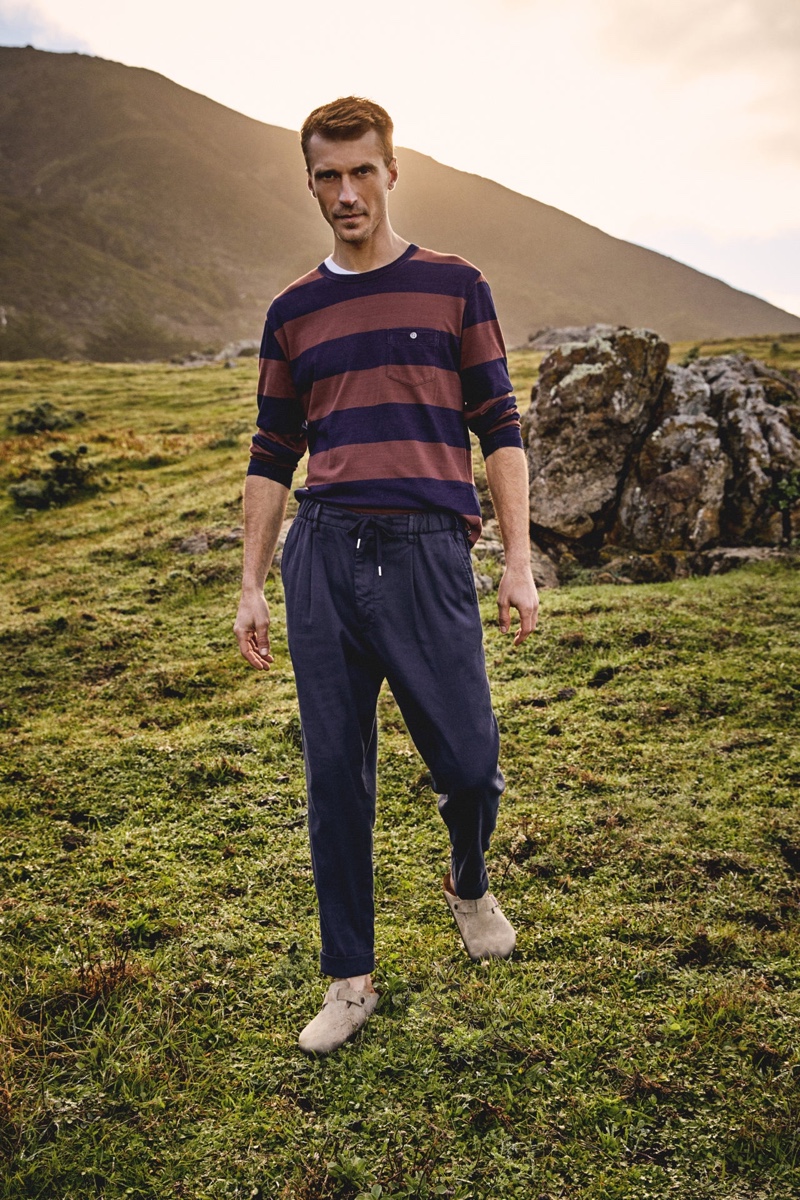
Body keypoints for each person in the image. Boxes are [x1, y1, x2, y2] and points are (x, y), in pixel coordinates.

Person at [234, 96, 538, 1055]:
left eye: (362, 171)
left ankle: (468, 879)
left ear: (393, 171)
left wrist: (518, 563)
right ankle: (349, 978)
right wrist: (250, 582)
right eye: (328, 175)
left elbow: (502, 429)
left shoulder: (455, 285)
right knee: (336, 776)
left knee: (469, 765)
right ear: (311, 181)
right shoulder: (294, 310)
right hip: (322, 555)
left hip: (427, 553)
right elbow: (271, 450)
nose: (346, 192)